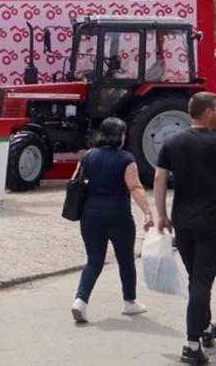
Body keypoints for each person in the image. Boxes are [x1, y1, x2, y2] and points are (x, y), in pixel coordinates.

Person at [154, 92, 216, 364]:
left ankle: (205, 328)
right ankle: (192, 345)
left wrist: (161, 215)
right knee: (201, 282)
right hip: (212, 222)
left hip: (183, 222)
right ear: (208, 112)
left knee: (196, 278)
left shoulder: (172, 142)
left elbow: (159, 177)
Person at [71, 117, 153, 323]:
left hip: (90, 215)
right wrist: (147, 212)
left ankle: (80, 300)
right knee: (125, 260)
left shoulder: (87, 156)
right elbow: (135, 187)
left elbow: (75, 181)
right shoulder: (126, 158)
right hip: (118, 215)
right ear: (120, 136)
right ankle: (129, 301)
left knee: (94, 261)